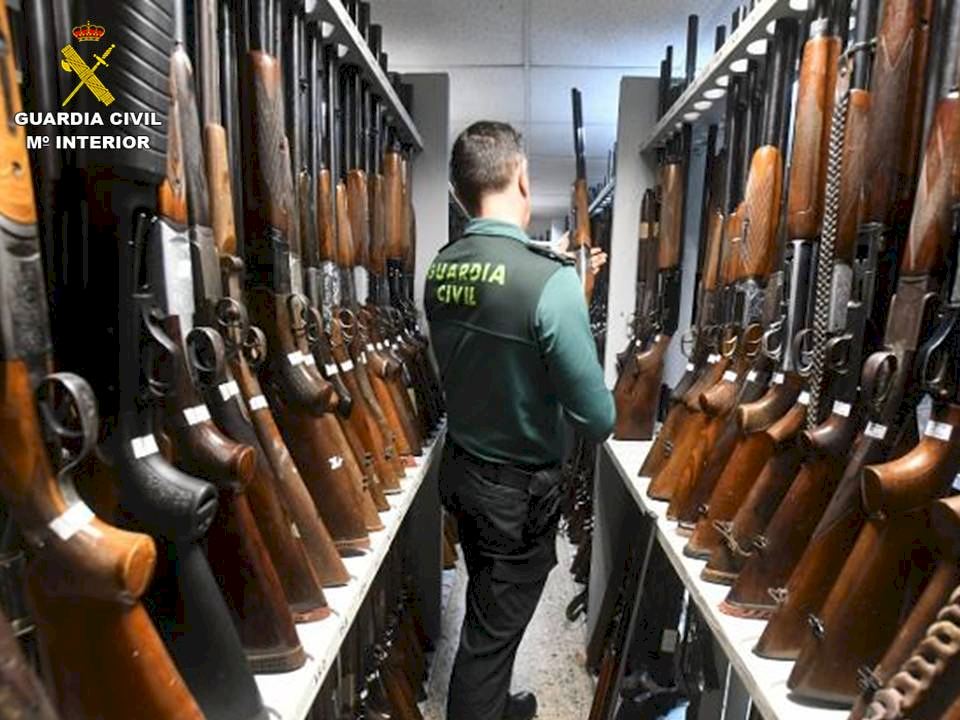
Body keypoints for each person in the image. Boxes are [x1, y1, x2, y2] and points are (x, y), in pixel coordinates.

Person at [424, 121, 615, 720]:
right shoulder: (547, 280)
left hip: (465, 473)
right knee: (488, 639)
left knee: (487, 605)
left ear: (461, 191)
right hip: (515, 497)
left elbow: (492, 351)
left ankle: (499, 705)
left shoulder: (442, 268)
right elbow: (597, 416)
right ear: (523, 178)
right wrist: (572, 300)